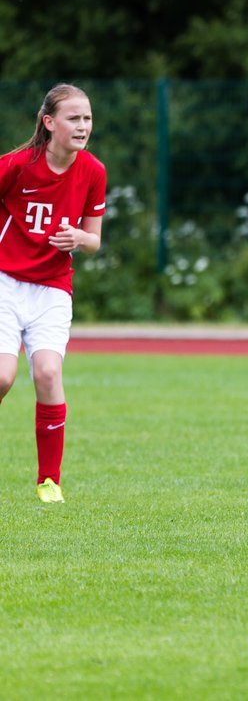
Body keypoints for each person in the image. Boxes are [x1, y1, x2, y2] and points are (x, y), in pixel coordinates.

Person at [0, 84, 107, 504]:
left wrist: (79, 236)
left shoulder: (93, 171)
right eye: (74, 118)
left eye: (88, 118)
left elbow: (95, 241)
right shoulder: (17, 166)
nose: (83, 126)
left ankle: (49, 481)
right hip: (5, 282)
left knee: (47, 374)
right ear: (49, 123)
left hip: (52, 289)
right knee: (3, 377)